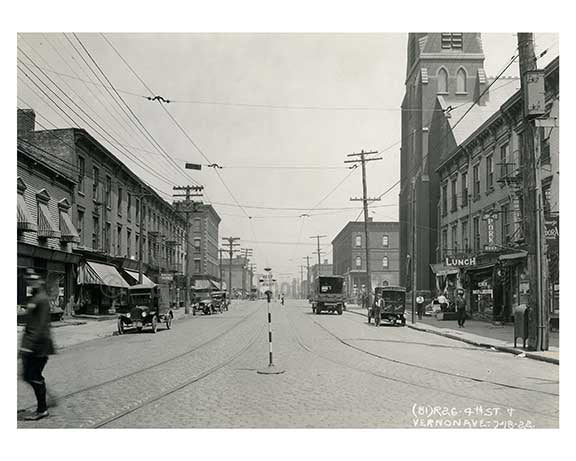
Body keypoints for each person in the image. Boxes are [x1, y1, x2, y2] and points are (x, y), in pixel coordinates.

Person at [19, 269, 55, 421]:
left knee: (32, 375)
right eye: (29, 280)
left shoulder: (41, 298)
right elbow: (30, 321)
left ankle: (42, 409)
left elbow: (40, 325)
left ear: (39, 281)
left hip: (38, 346)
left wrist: (29, 345)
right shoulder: (35, 297)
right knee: (30, 376)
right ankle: (44, 403)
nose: (30, 282)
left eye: (32, 280)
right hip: (33, 344)